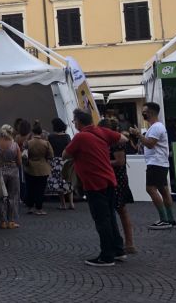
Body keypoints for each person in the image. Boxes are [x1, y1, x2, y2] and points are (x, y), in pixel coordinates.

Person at [64, 108, 127, 267]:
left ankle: (106, 256)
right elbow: (123, 139)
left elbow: (65, 154)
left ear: (78, 122)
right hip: (109, 180)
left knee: (101, 219)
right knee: (110, 216)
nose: (74, 124)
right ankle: (118, 250)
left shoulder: (81, 137)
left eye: (74, 121)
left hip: (94, 182)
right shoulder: (102, 131)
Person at [133, 102, 175, 230]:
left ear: (150, 113)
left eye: (144, 111)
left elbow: (150, 144)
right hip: (159, 162)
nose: (143, 113)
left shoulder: (156, 127)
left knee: (150, 188)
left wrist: (138, 134)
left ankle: (164, 219)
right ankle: (170, 219)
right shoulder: (155, 127)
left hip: (156, 162)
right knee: (163, 190)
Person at [99, 119, 136, 253]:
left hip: (118, 179)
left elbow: (120, 161)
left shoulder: (117, 143)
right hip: (114, 178)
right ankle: (126, 243)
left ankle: (129, 243)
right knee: (118, 211)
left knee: (121, 210)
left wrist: (103, 162)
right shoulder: (112, 142)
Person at [0, 125, 22, 229]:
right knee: (12, 196)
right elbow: (19, 161)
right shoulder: (15, 145)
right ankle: (11, 221)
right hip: (13, 172)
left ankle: (3, 222)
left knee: (0, 197)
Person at [24, 121, 53, 216]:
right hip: (42, 168)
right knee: (40, 190)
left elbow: (24, 155)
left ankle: (30, 207)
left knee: (30, 188)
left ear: (33, 132)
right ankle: (39, 208)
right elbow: (50, 155)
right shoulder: (46, 143)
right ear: (41, 133)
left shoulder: (28, 143)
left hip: (30, 168)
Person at [47, 118, 74, 210]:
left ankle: (63, 204)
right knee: (68, 180)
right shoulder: (67, 136)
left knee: (58, 182)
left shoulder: (51, 137)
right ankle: (71, 203)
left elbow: (49, 150)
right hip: (66, 160)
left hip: (55, 161)